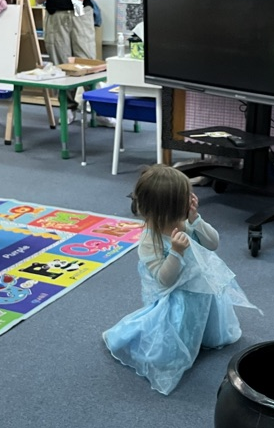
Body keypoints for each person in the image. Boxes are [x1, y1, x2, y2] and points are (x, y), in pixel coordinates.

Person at [103, 164, 257, 394]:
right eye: (185, 198)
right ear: (168, 208)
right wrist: (175, 252)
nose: (191, 200)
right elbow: (164, 280)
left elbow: (213, 243)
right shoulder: (150, 240)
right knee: (171, 350)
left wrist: (196, 220)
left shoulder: (184, 222)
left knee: (210, 331)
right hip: (179, 298)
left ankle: (201, 335)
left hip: (202, 290)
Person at [33, 0, 104, 112]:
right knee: (62, 62)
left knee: (87, 59)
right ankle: (69, 108)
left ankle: (98, 108)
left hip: (81, 15)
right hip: (56, 17)